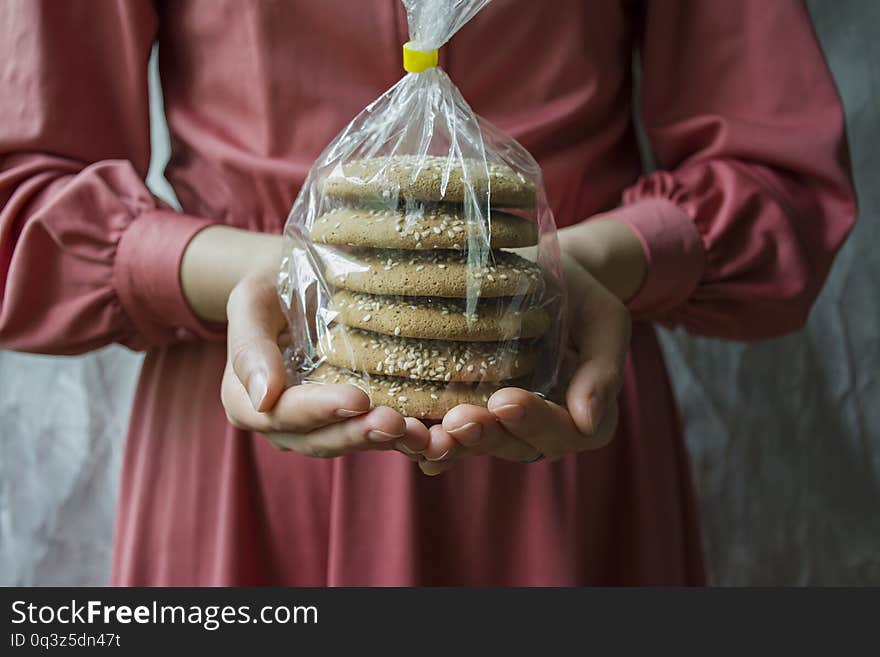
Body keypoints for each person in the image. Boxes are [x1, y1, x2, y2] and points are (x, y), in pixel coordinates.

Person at [0, 0, 856, 585]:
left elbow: (779, 177)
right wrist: (269, 279)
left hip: (553, 406)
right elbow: (21, 198)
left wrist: (573, 269)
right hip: (247, 425)